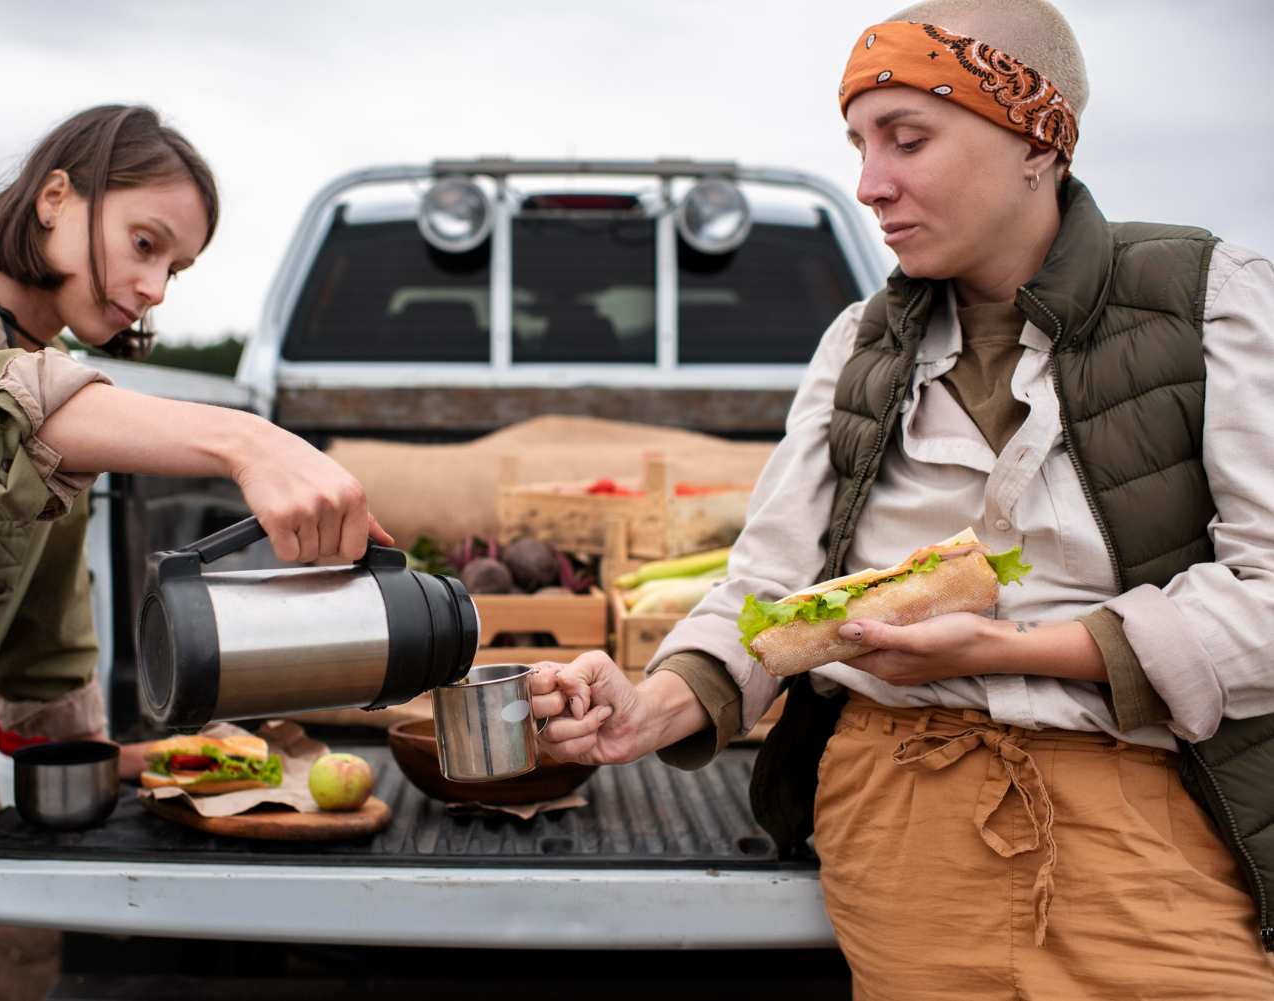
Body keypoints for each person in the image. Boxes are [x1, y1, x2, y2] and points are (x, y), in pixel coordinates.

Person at [529, 1, 1274, 996]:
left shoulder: (1206, 298)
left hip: (1144, 811)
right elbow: (770, 587)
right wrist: (651, 705)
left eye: (908, 140)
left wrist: (1017, 649)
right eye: (860, 145)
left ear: (1035, 139)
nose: (871, 185)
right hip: (900, 812)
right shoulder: (859, 346)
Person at [0, 105, 388, 999]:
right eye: (145, 243)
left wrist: (111, 756)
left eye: (174, 268)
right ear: (56, 197)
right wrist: (246, 440)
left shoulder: (62, 400)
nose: (155, 288)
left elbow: (46, 644)